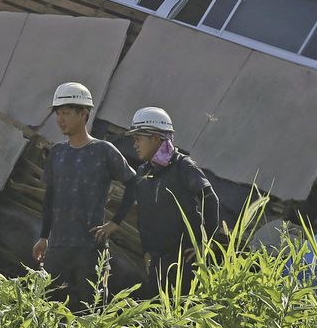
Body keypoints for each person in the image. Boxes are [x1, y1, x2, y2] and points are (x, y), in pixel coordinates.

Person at [93, 107, 222, 296]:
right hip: (157, 261)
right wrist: (145, 249)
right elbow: (141, 211)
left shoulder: (182, 167)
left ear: (155, 138)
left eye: (138, 139)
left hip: (185, 260)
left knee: (182, 313)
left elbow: (210, 199)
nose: (135, 144)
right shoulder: (145, 172)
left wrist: (205, 243)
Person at [32, 82, 136, 311]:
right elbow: (49, 198)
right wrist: (43, 237)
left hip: (90, 248)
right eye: (58, 114)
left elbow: (134, 183)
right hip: (58, 247)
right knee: (48, 311)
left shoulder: (104, 151)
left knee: (92, 311)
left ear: (84, 114)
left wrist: (115, 223)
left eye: (66, 113)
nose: (60, 119)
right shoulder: (58, 153)